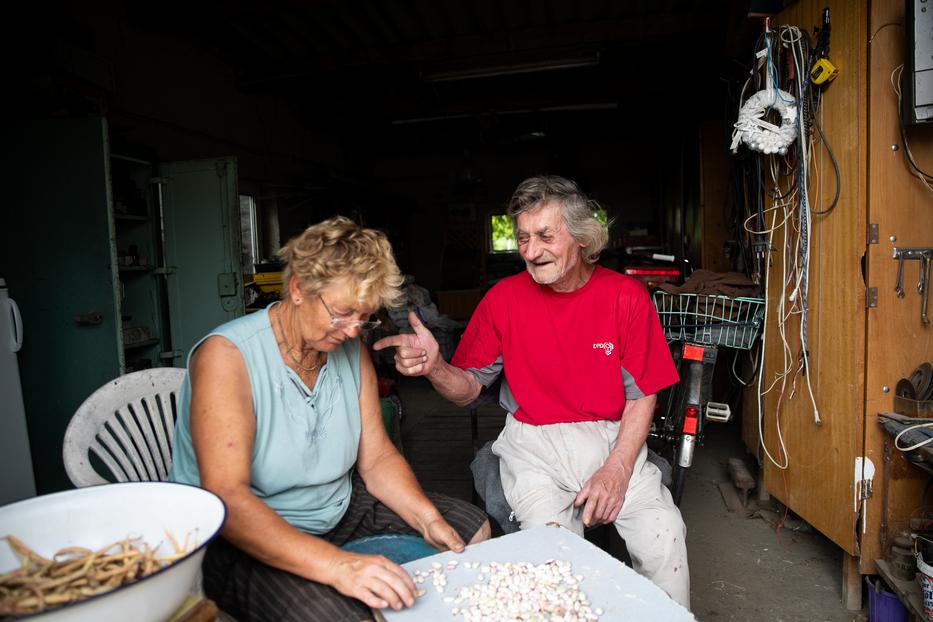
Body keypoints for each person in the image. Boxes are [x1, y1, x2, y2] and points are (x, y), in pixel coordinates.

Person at [374, 176, 690, 608]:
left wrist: (616, 470)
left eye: (545, 235)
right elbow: (467, 391)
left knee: (664, 535)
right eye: (523, 237)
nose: (531, 250)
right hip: (533, 444)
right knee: (552, 557)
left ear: (581, 238)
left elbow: (642, 394)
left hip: (614, 439)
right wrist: (436, 368)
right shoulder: (503, 299)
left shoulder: (626, 297)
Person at [169, 216, 491, 622]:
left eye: (365, 317)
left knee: (470, 530)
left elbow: (375, 459)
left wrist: (427, 519)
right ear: (298, 289)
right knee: (340, 614)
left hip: (336, 506)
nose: (353, 330)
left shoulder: (349, 348)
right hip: (244, 534)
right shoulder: (227, 357)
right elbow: (228, 500)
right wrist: (338, 566)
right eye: (341, 313)